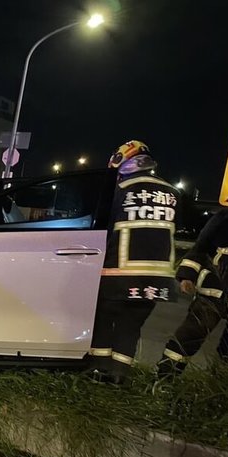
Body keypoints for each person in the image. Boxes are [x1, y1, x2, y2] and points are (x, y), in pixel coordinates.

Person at [88, 140, 180, 383]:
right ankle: (119, 375)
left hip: (120, 273)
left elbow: (103, 224)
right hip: (158, 277)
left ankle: (98, 371)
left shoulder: (121, 189)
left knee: (104, 320)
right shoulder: (171, 192)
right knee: (131, 325)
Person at [157, 203, 228, 375]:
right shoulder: (225, 217)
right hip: (214, 292)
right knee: (188, 338)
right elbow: (200, 247)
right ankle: (164, 378)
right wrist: (187, 275)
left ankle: (219, 388)